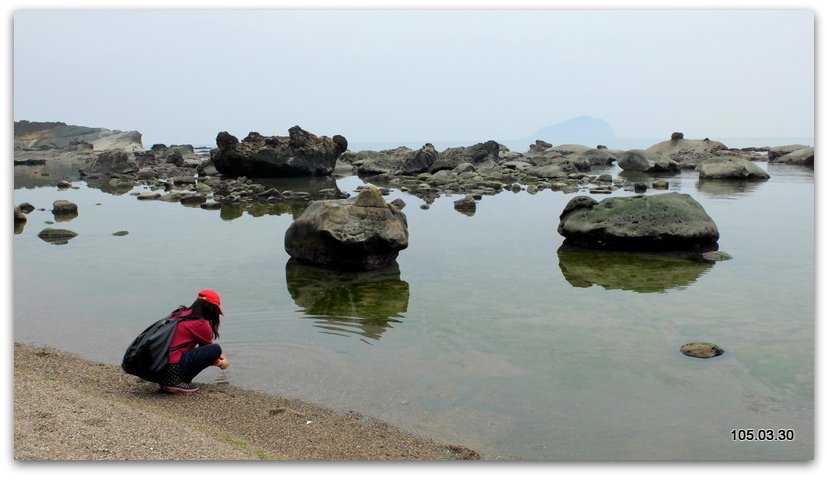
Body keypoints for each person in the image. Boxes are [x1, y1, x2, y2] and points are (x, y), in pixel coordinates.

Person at [158, 289, 230, 393]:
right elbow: (208, 350)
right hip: (172, 369)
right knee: (215, 349)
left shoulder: (179, 313)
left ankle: (167, 382)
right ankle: (175, 383)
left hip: (159, 366)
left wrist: (217, 358)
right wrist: (221, 362)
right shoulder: (201, 323)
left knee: (211, 351)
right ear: (211, 309)